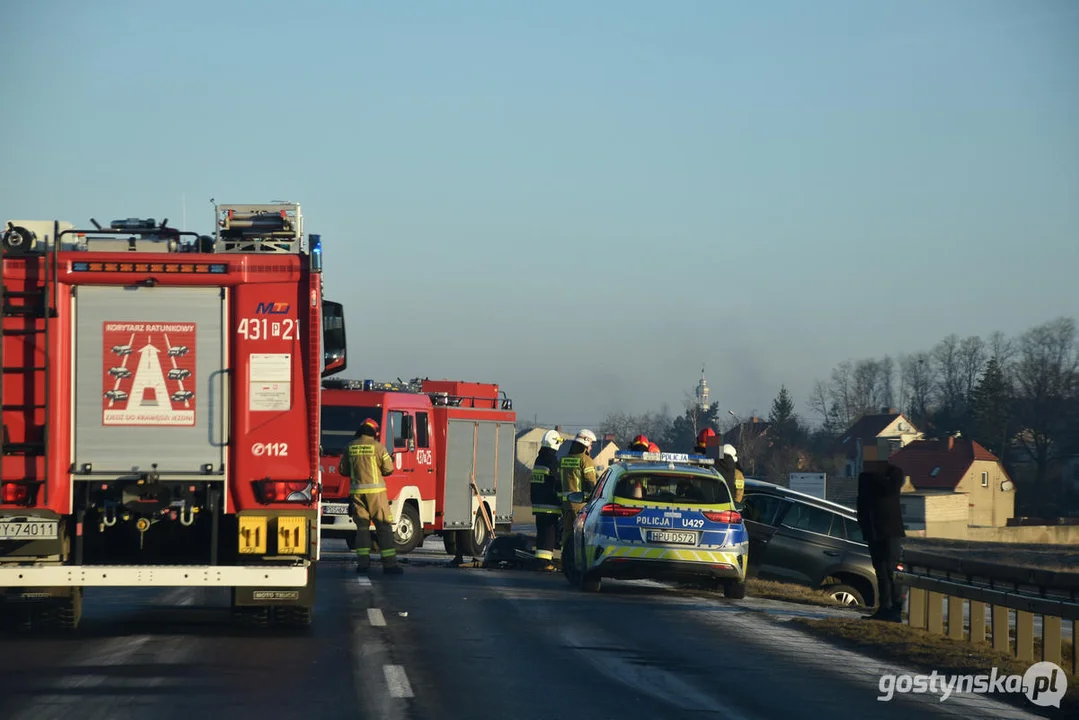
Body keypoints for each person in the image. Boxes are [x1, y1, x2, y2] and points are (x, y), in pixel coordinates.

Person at [338, 418, 403, 575]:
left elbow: (343, 470)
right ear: (374, 432)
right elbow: (389, 469)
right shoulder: (378, 447)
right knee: (384, 528)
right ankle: (389, 565)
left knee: (362, 529)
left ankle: (363, 564)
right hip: (377, 495)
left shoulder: (350, 447)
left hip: (357, 494)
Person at [857, 461, 906, 621]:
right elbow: (862, 501)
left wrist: (877, 473)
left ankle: (896, 608)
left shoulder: (894, 474)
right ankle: (884, 607)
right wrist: (863, 524)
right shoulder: (865, 477)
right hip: (873, 530)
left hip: (890, 531)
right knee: (881, 572)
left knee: (892, 570)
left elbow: (889, 491)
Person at [530, 429, 563, 571]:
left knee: (541, 533)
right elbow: (557, 482)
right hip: (550, 505)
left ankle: (539, 561)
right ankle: (545, 563)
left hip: (538, 504)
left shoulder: (539, 459)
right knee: (549, 534)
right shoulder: (552, 460)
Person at [559, 429, 597, 550]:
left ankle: (565, 558)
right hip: (580, 505)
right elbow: (591, 483)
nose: (590, 448)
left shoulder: (563, 459)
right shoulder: (585, 460)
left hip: (565, 505)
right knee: (580, 534)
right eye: (590, 445)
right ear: (585, 443)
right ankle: (577, 560)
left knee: (567, 532)